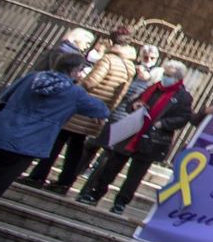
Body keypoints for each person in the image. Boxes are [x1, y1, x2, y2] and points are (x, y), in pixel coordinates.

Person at [0, 52, 109, 238]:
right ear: (76, 72)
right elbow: (101, 109)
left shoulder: (32, 77)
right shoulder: (75, 93)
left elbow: (4, 96)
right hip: (26, 145)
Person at [23, 28, 137, 192]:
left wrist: (78, 81)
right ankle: (64, 182)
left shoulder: (108, 60)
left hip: (80, 109)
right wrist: (105, 111)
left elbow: (91, 82)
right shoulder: (130, 66)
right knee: (76, 147)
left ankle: (38, 175)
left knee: (57, 142)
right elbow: (120, 94)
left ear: (111, 42)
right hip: (96, 110)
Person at [76, 59, 193, 214]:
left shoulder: (183, 97)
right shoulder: (154, 88)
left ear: (178, 78)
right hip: (132, 132)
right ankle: (95, 193)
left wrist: (164, 124)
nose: (165, 77)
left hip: (152, 139)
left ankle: (121, 202)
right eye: (165, 74)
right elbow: (134, 102)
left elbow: (183, 118)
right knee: (112, 166)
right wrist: (135, 106)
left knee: (135, 175)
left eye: (169, 75)